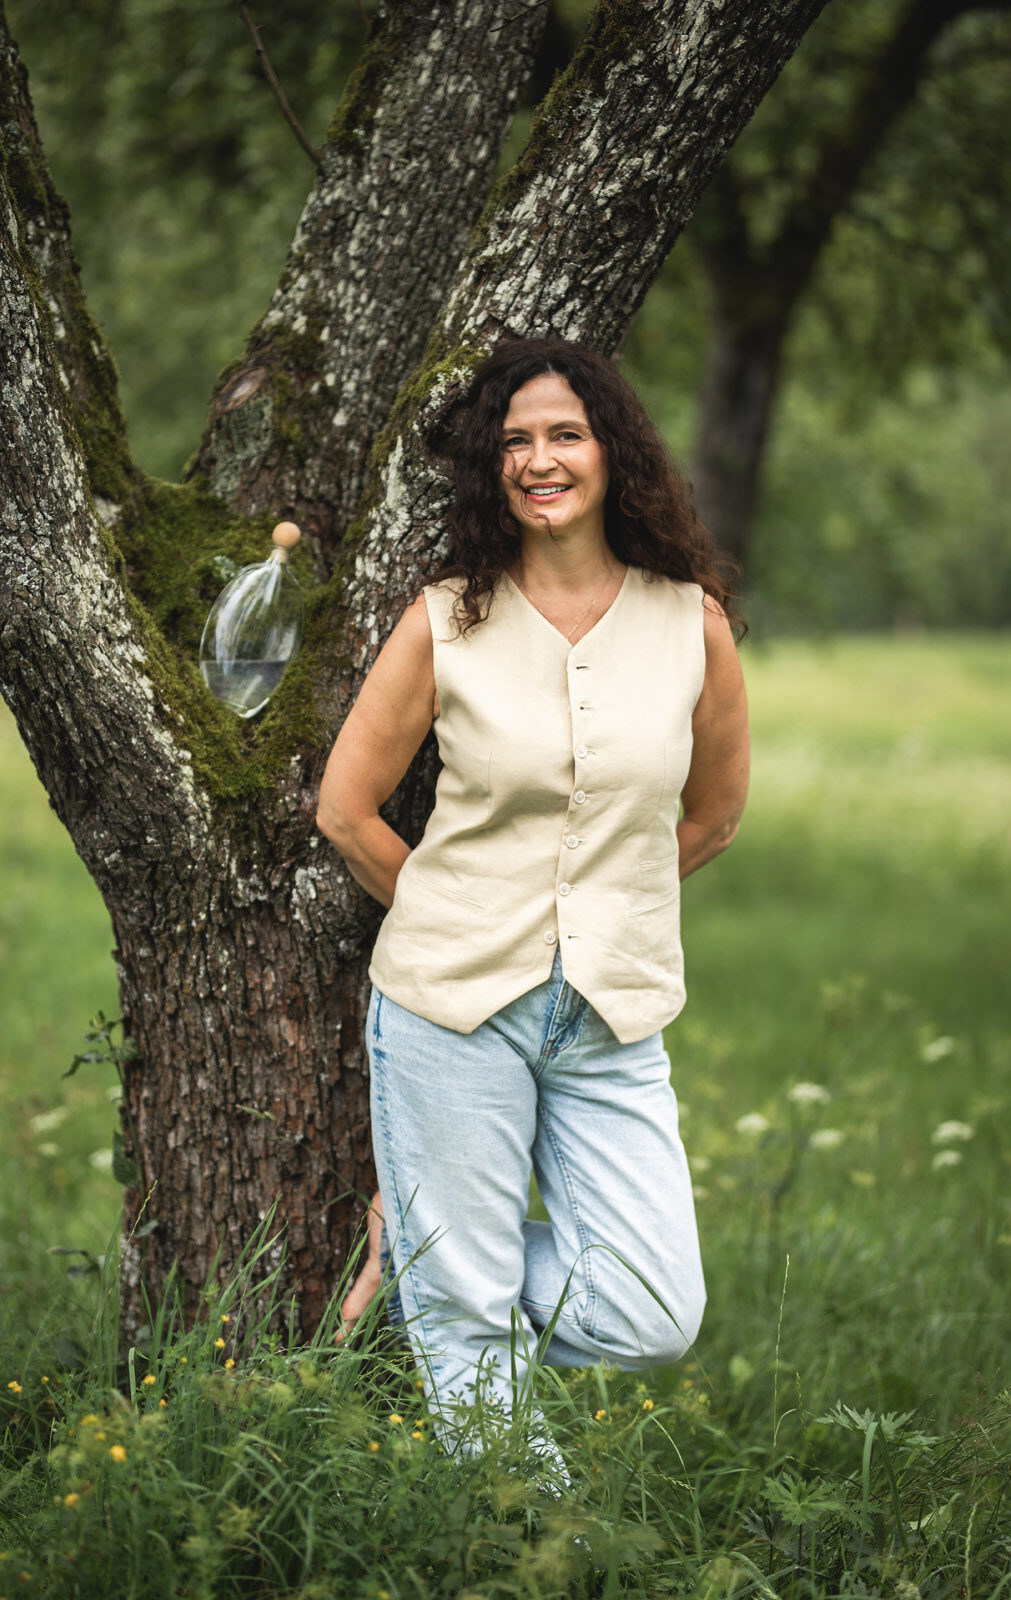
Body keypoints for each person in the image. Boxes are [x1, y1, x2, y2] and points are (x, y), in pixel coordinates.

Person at [317, 338, 749, 1467]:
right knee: (469, 1319)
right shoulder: (445, 619)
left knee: (653, 1309)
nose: (538, 460)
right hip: (450, 1009)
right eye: (514, 441)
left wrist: (595, 914)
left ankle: (424, 1262)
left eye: (564, 434)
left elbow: (709, 819)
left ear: (613, 453)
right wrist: (457, 913)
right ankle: (524, 1537)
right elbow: (346, 812)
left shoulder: (689, 623)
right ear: (490, 466)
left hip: (609, 1015)